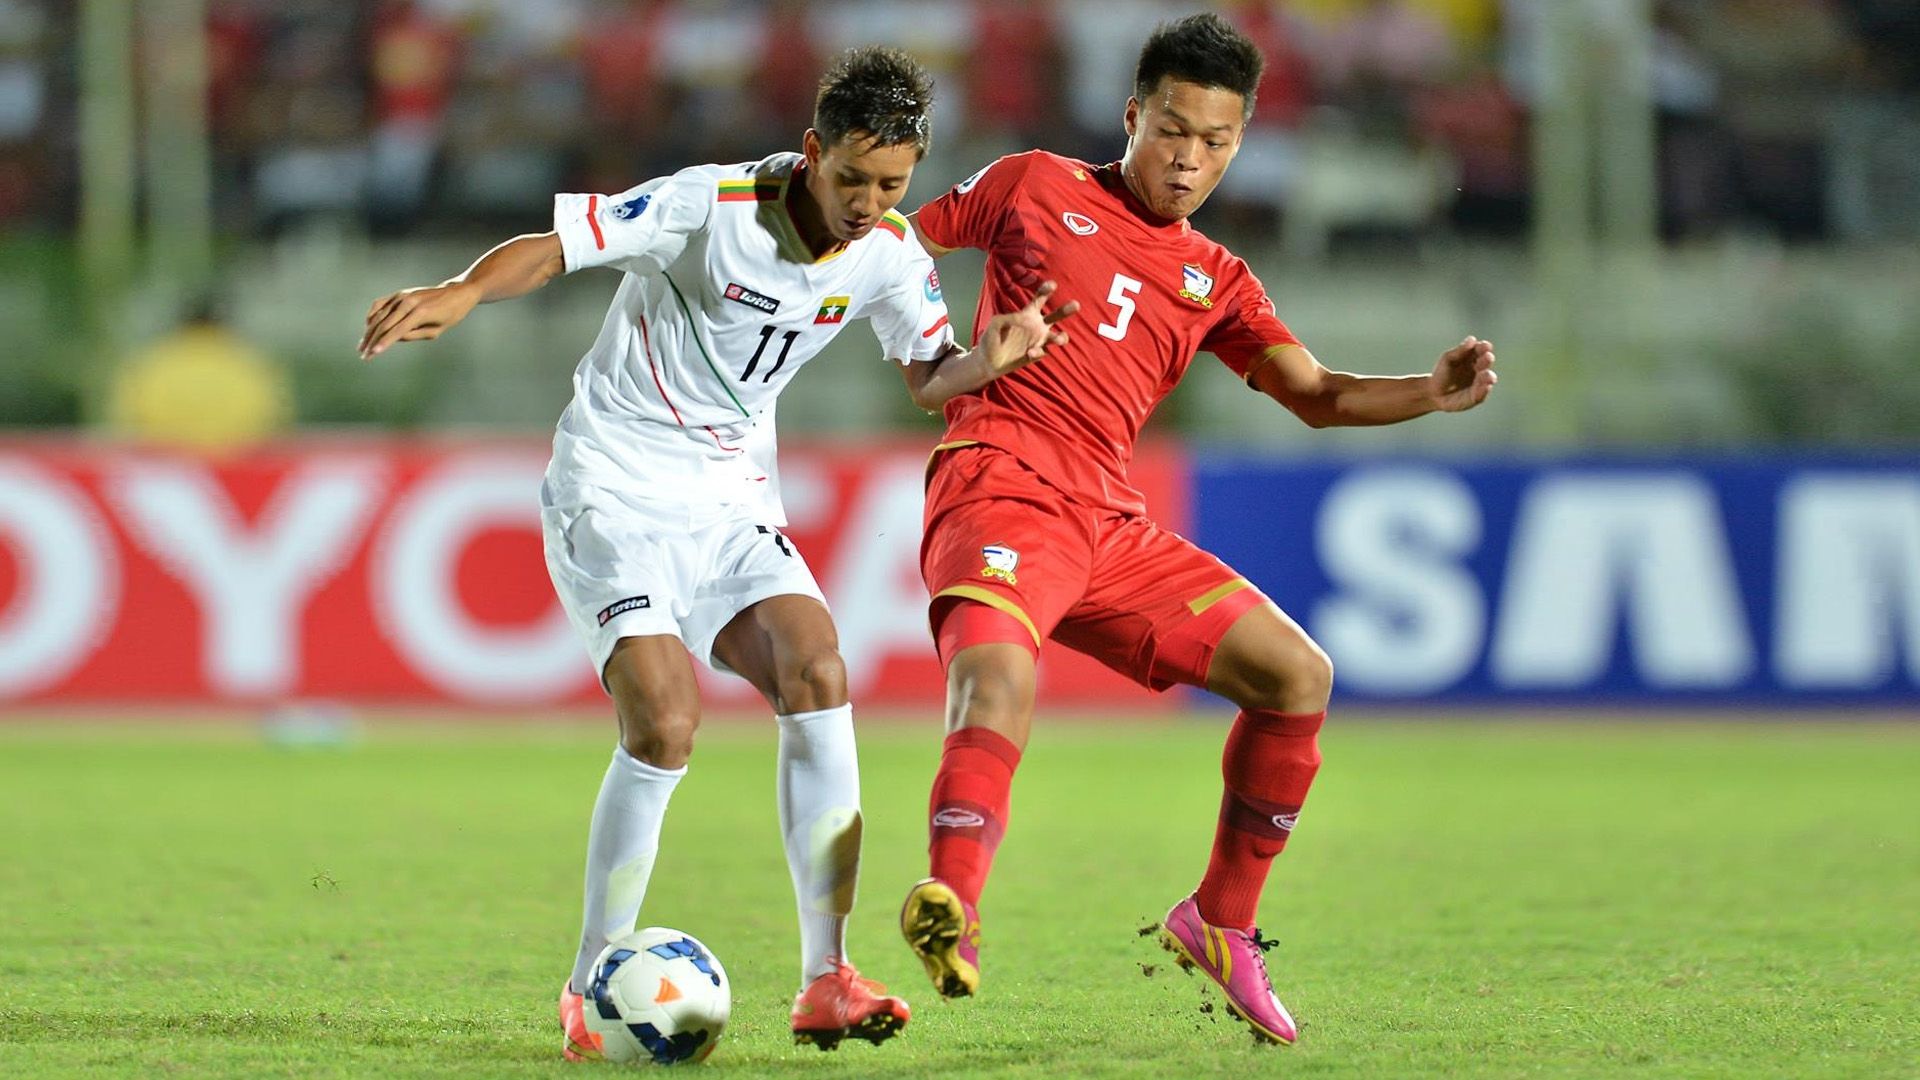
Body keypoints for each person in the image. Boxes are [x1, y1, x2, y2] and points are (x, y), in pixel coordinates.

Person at [357, 47, 1073, 1061]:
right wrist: (464, 291)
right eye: (853, 177)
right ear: (814, 151)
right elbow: (562, 244)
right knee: (666, 721)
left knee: (821, 673)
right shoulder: (711, 204)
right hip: (611, 485)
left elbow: (926, 375)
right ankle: (590, 982)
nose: (870, 202)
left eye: (892, 184)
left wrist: (982, 364)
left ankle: (827, 976)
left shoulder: (893, 256)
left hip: (730, 502)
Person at [895, 13, 1496, 1046]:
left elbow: (1315, 395)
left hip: (1113, 527)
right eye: (1173, 129)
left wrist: (1427, 396)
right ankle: (954, 908)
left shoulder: (1215, 279)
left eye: (1216, 141)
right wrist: (949, 355)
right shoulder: (1032, 182)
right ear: (1132, 116)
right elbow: (890, 239)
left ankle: (1221, 920)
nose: (1190, 158)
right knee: (998, 677)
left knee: (1298, 678)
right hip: (1000, 481)